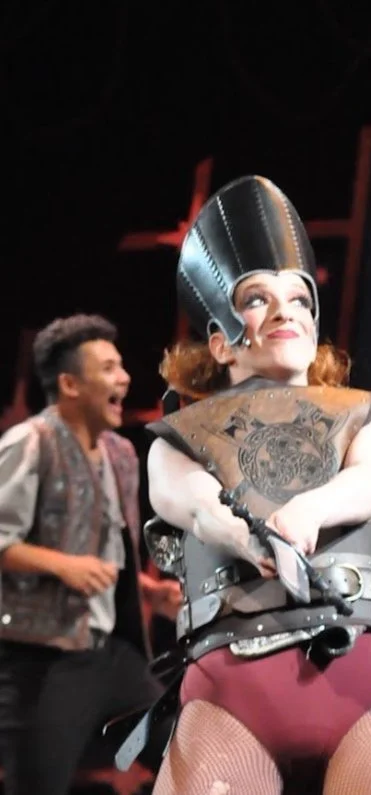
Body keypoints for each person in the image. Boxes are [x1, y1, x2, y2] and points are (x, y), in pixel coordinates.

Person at [143, 175, 371, 795]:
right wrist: (243, 535)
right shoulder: (176, 438)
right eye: (257, 298)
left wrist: (308, 511)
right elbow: (192, 504)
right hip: (231, 688)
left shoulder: (368, 414)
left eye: (301, 300)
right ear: (220, 342)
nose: (286, 311)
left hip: (365, 683)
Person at [0, 314, 182, 795]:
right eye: (108, 368)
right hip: (43, 661)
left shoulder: (120, 455)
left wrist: (148, 592)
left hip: (110, 656)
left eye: (121, 366)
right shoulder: (30, 443)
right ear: (70, 384)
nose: (124, 378)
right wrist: (64, 567)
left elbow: (99, 556)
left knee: (186, 755)